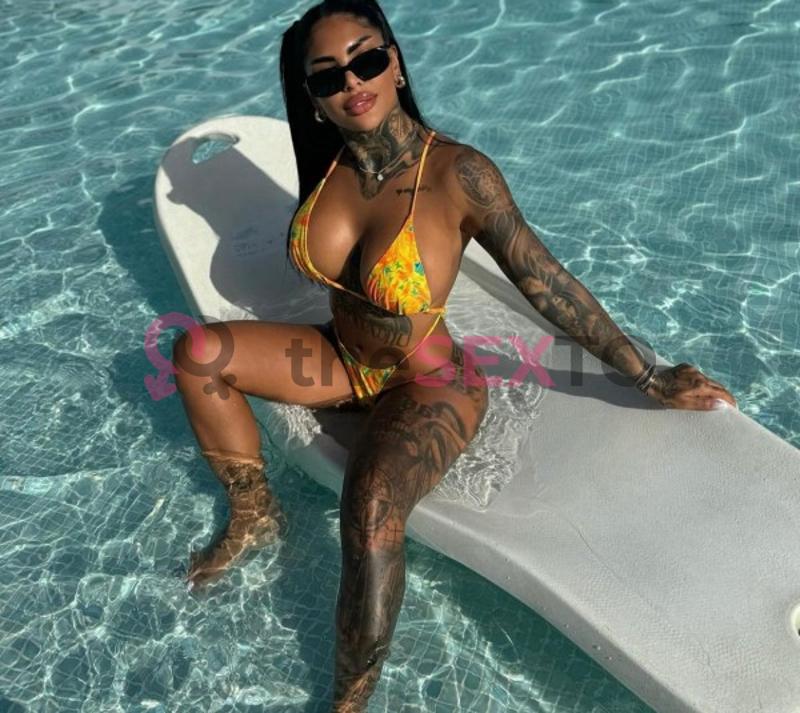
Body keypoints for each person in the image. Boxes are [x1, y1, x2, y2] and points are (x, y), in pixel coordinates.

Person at [171, 0, 738, 709]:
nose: (354, 82)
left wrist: (647, 373)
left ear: (396, 63)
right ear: (313, 98)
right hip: (342, 359)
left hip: (429, 383)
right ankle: (254, 512)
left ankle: (347, 700)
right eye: (329, 75)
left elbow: (544, 279)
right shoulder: (331, 166)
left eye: (367, 59)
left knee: (370, 508)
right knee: (197, 353)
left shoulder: (458, 174)